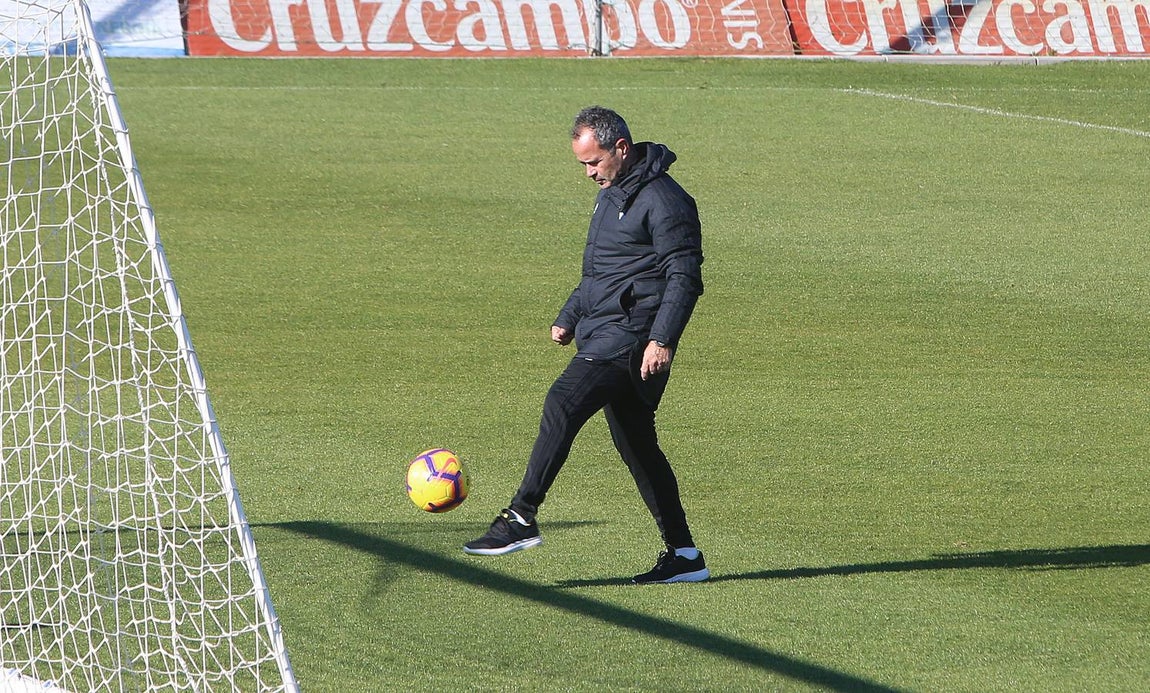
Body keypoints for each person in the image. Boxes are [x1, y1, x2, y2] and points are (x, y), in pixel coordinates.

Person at [463, 106, 708, 584]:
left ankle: (520, 516)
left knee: (563, 400)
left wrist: (662, 339)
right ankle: (685, 556)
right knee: (638, 445)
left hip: (633, 338)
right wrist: (570, 315)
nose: (589, 173)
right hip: (605, 329)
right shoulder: (612, 194)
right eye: (583, 165)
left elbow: (685, 275)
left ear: (620, 148)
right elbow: (602, 271)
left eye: (593, 163)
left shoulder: (665, 200)